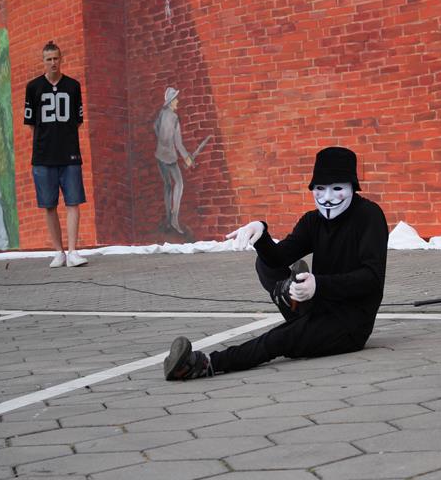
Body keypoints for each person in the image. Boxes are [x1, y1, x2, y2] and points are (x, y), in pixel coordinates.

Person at [163, 146, 388, 381]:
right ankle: (294, 305)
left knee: (278, 338)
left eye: (337, 189)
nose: (328, 197)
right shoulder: (313, 221)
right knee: (265, 264)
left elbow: (372, 279)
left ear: (352, 187)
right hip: (318, 306)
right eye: (320, 189)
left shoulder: (369, 216)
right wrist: (261, 233)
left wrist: (319, 285)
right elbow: (278, 258)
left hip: (349, 324)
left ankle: (204, 364)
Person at [23, 41, 88, 267]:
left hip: (69, 154)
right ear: (43, 61)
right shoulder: (33, 87)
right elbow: (31, 123)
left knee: (73, 202)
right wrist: (46, 142)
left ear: (61, 60)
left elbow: (77, 121)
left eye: (56, 58)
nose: (53, 63)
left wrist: (63, 139)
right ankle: (59, 252)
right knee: (49, 205)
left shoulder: (73, 86)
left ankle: (72, 251)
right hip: (43, 156)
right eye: (48, 59)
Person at [154, 86, 193, 234]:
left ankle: (168, 218)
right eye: (175, 99)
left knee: (167, 186)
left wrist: (161, 142)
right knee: (179, 184)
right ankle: (174, 219)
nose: (177, 101)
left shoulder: (161, 114)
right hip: (170, 158)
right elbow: (178, 143)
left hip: (160, 156)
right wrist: (187, 158)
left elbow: (155, 127)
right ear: (171, 102)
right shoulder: (175, 118)